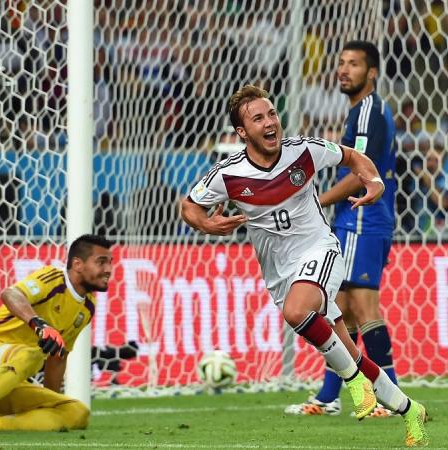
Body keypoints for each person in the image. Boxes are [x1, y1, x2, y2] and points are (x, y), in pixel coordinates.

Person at [180, 86, 428, 448]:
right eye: (258, 118)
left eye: (271, 114)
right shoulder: (228, 175)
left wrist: (374, 182)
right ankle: (410, 410)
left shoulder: (304, 150)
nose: (270, 123)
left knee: (298, 312)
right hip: (280, 273)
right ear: (242, 132)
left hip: (320, 249)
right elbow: (189, 205)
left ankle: (353, 383)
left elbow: (354, 158)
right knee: (351, 352)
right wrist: (205, 224)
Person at [286, 40, 401, 418]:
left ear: (371, 73)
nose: (344, 70)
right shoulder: (362, 111)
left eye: (354, 64)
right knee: (343, 309)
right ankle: (329, 396)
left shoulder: (368, 111)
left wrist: (317, 202)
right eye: (341, 63)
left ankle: (390, 395)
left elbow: (362, 172)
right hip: (361, 218)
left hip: (363, 217)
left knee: (360, 306)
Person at [0, 234, 113, 433]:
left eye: (110, 262)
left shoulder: (87, 307)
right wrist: (39, 324)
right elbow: (10, 294)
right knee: (31, 354)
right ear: (78, 264)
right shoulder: (53, 279)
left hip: (2, 383)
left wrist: (50, 402)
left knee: (76, 412)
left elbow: (58, 356)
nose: (108, 269)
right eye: (101, 262)